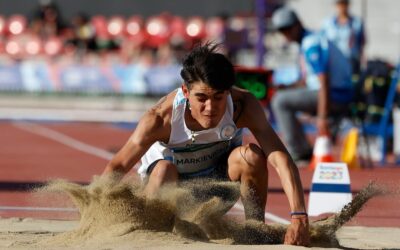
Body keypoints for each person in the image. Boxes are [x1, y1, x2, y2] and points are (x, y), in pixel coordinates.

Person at [102, 43, 310, 246]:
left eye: (218, 97)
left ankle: (255, 231)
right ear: (186, 92)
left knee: (252, 156)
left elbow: (279, 156)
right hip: (168, 195)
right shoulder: (159, 119)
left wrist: (299, 215)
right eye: (201, 98)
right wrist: (96, 214)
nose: (210, 108)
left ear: (228, 92)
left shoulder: (243, 106)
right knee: (164, 169)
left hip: (216, 191)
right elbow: (117, 166)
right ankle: (155, 233)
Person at [270, 7, 354, 162]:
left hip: (337, 95)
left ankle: (300, 152)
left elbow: (324, 81)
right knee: (281, 96)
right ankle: (303, 149)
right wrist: (287, 87)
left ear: (298, 24)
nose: (285, 33)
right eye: (282, 30)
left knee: (280, 101)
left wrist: (322, 117)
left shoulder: (311, 44)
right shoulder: (308, 40)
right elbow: (308, 81)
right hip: (332, 92)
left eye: (288, 28)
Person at [321, 0, 366, 75]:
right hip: (333, 64)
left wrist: (362, 62)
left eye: (344, 3)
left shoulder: (357, 22)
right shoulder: (327, 23)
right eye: (340, 4)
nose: (342, 7)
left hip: (351, 63)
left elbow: (362, 44)